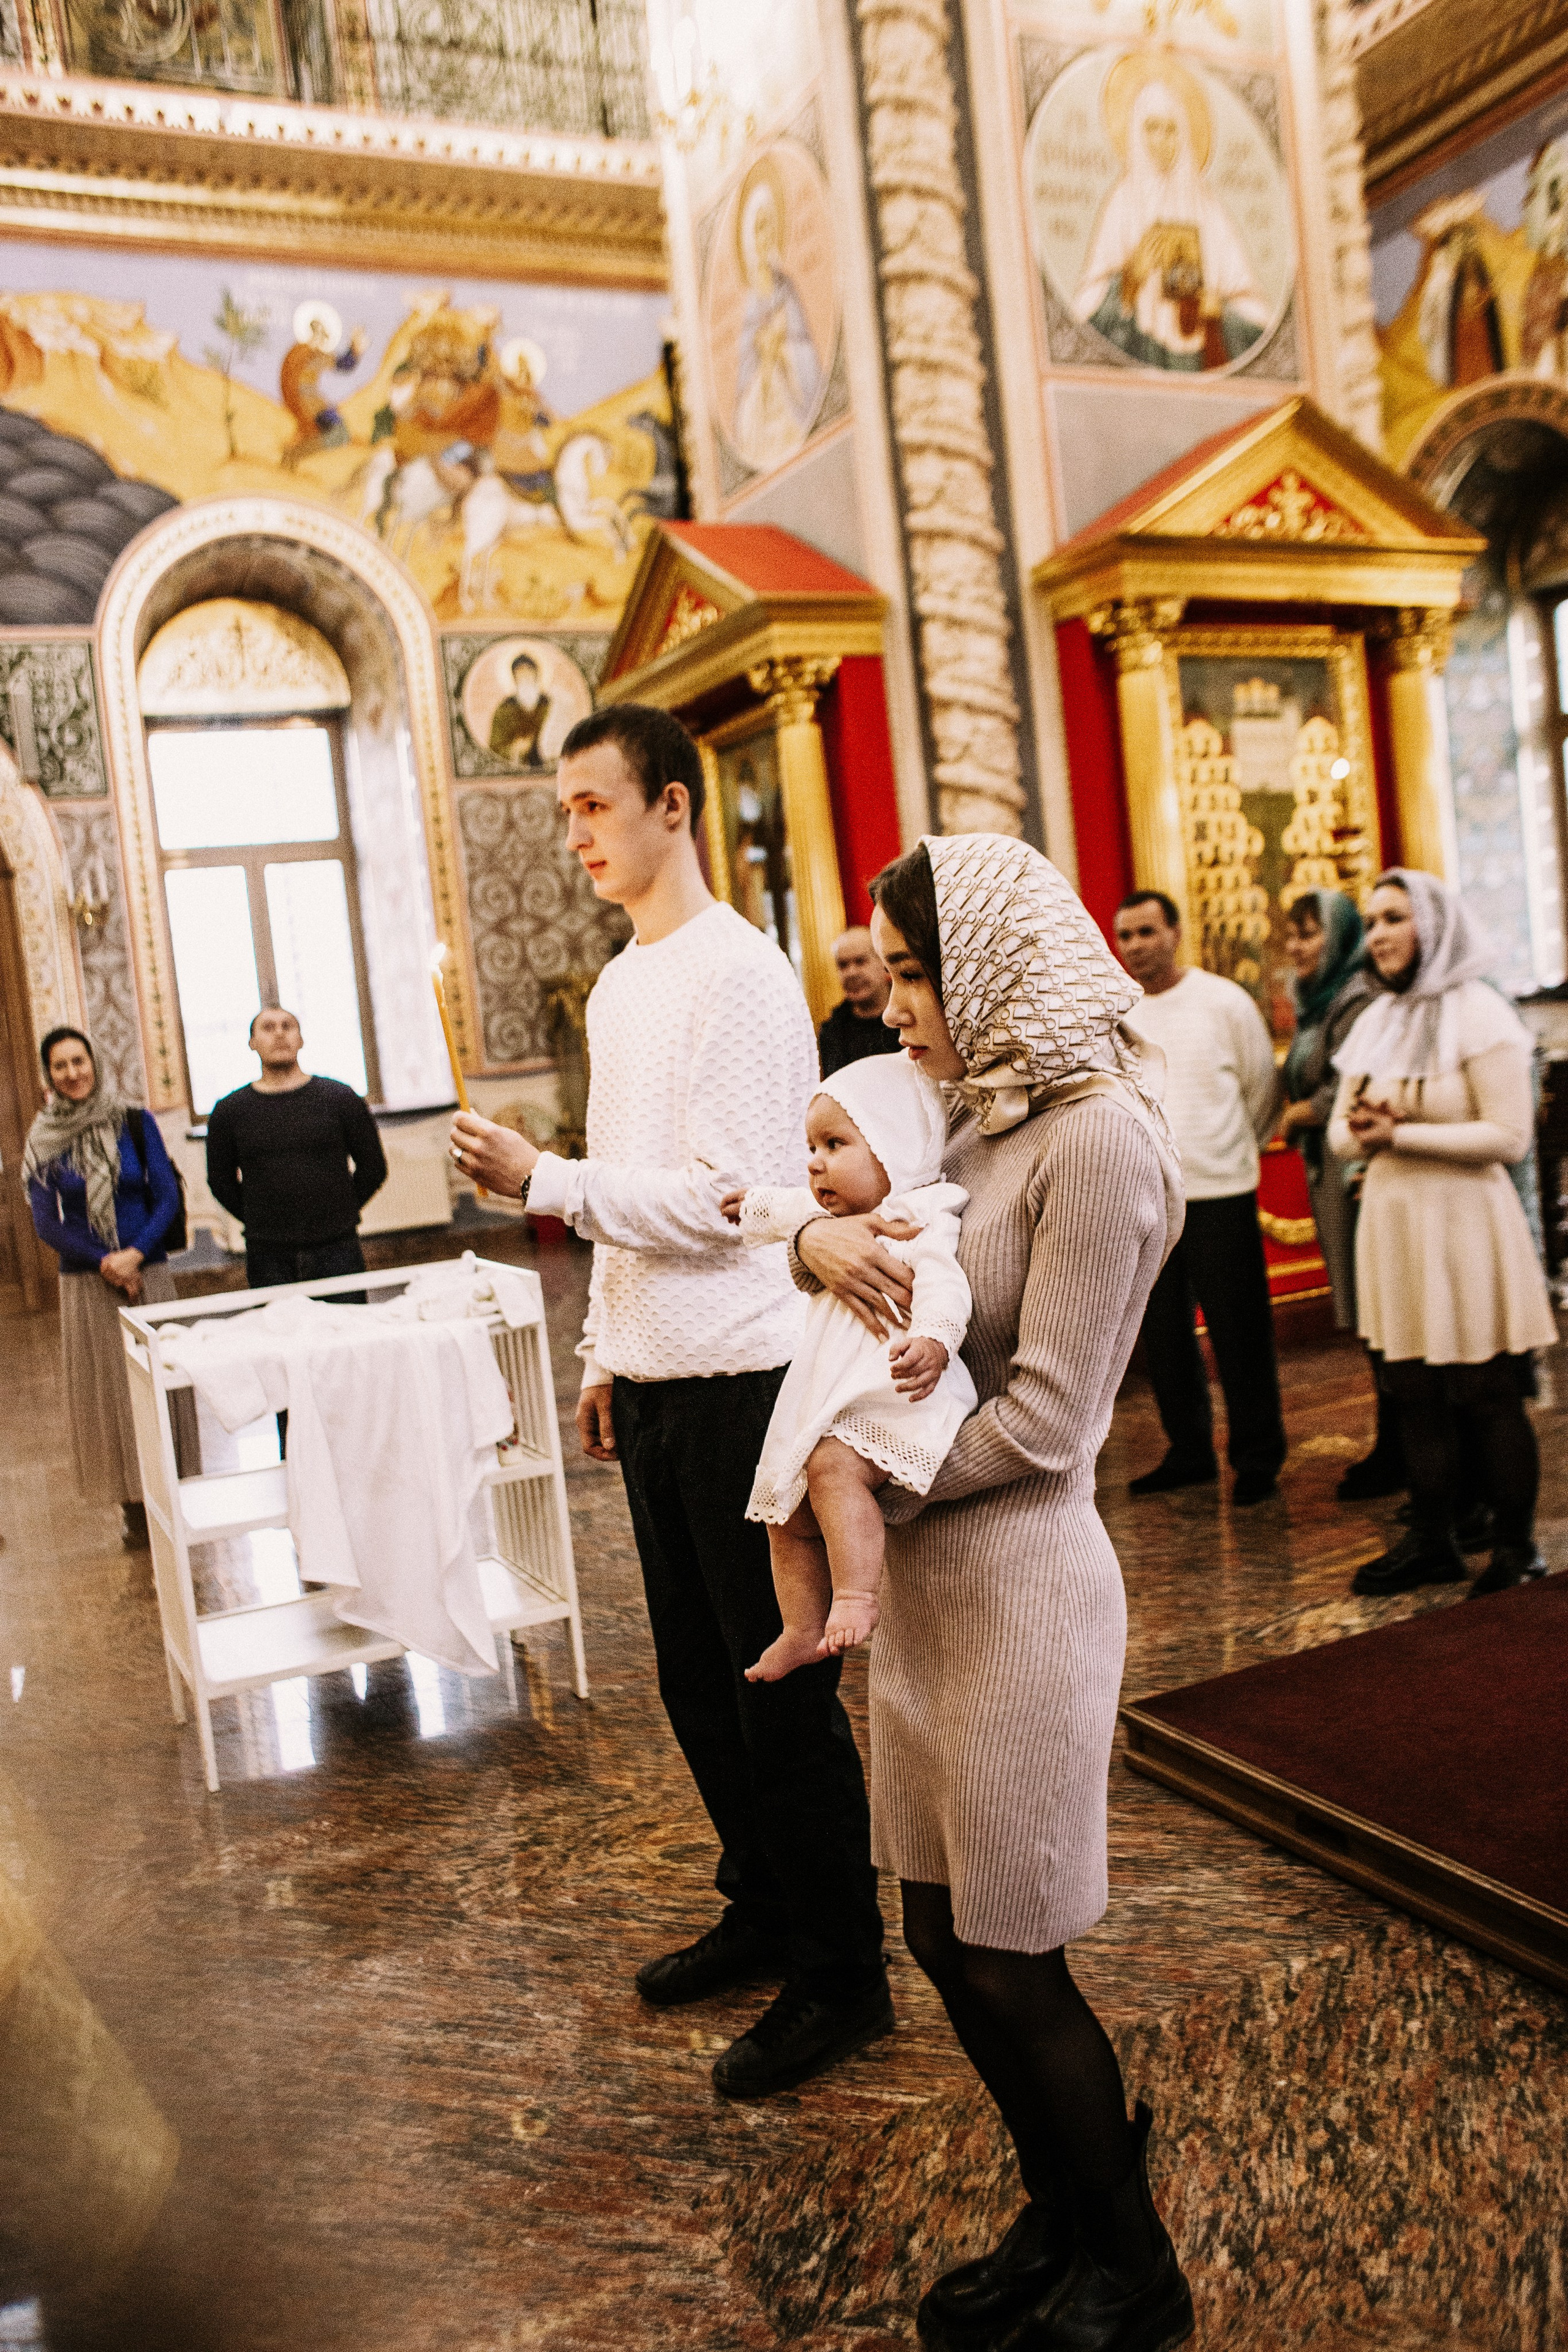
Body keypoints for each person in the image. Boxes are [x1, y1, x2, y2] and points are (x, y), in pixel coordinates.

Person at [448, 701, 890, 2100]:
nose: (571, 832)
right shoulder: (618, 981)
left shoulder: (740, 974)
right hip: (650, 1379)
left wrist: (545, 1179)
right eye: (564, 810)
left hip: (746, 1382)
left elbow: (721, 1201)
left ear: (673, 807)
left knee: (777, 1688)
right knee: (698, 1684)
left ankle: (841, 1969)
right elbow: (635, 1182)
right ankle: (761, 1904)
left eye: (591, 805)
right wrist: (598, 1350)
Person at [793, 834, 1191, 2351]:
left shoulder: (1095, 1141)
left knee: (1013, 1950)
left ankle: (1132, 2265)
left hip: (1019, 1589)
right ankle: (1060, 2203)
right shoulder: (976, 1125)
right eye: (887, 976)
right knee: (943, 1936)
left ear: (989, 969)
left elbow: (1048, 1419)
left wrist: (868, 1479)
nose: (892, 1008)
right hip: (933, 1594)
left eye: (911, 975)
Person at [1328, 870, 1556, 1600]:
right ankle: (1433, 1542)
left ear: (1436, 926)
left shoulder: (1481, 1013)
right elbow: (1338, 1131)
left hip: (1466, 1224)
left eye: (1394, 917)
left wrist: (1399, 1134)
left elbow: (1510, 1136)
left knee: (1486, 1391)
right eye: (1370, 922)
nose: (1378, 935)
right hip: (1394, 1224)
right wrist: (1367, 1134)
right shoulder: (1373, 1020)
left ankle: (1516, 1550)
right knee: (1412, 1391)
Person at [720, 1052, 976, 1680]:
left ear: (893, 1148)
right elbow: (789, 1211)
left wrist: (936, 1341)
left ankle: (858, 1595)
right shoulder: (838, 1222)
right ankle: (801, 1628)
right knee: (785, 1510)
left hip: (897, 1386)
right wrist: (753, 1204)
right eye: (811, 1146)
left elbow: (947, 1286)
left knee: (832, 1468)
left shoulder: (918, 1218)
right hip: (838, 1391)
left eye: (835, 1144)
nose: (814, 1162)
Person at [1115, 890, 1286, 1506]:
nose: (1135, 946)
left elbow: (1261, 1091)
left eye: (1145, 932)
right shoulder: (1117, 1011)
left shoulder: (1224, 1001)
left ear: (1175, 931)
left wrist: (1229, 1153)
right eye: (1125, 936)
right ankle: (1188, 1451)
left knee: (1240, 1333)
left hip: (1219, 1193)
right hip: (1147, 1200)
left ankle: (1257, 1457)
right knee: (1162, 1335)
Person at [23, 1028, 187, 1547]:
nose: (73, 1073)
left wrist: (135, 1253)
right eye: (60, 1066)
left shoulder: (135, 1122)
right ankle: (133, 1508)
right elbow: (48, 1223)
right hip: (90, 1282)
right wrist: (107, 1262)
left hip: (149, 1272)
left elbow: (166, 1196)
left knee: (160, 1386)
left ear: (94, 1064)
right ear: (48, 1076)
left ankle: (174, 1494)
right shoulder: (44, 1139)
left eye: (79, 1061)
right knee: (111, 1395)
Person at [1278, 889, 1403, 1500]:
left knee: (1380, 1304)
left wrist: (1307, 1108)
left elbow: (1355, 1082)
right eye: (1292, 935)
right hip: (1328, 1163)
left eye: (1310, 933)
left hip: (1356, 1166)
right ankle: (1395, 1439)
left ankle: (1403, 1445)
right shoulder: (1317, 1003)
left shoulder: (1356, 999)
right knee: (1365, 1308)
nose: (1297, 947)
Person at [205, 1007, 386, 1292]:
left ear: (301, 1039)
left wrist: (339, 1212)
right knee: (281, 1335)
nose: (279, 1033)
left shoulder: (340, 1098)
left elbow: (374, 1168)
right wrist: (262, 1219)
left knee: (346, 1332)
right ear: (252, 1043)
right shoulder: (230, 1111)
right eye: (268, 1027)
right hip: (269, 1255)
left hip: (337, 1248)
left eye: (287, 1026)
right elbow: (220, 1181)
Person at [817, 925, 903, 1077]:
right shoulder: (832, 1032)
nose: (852, 973)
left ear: (883, 964)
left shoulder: (906, 1018)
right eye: (843, 965)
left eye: (860, 961)